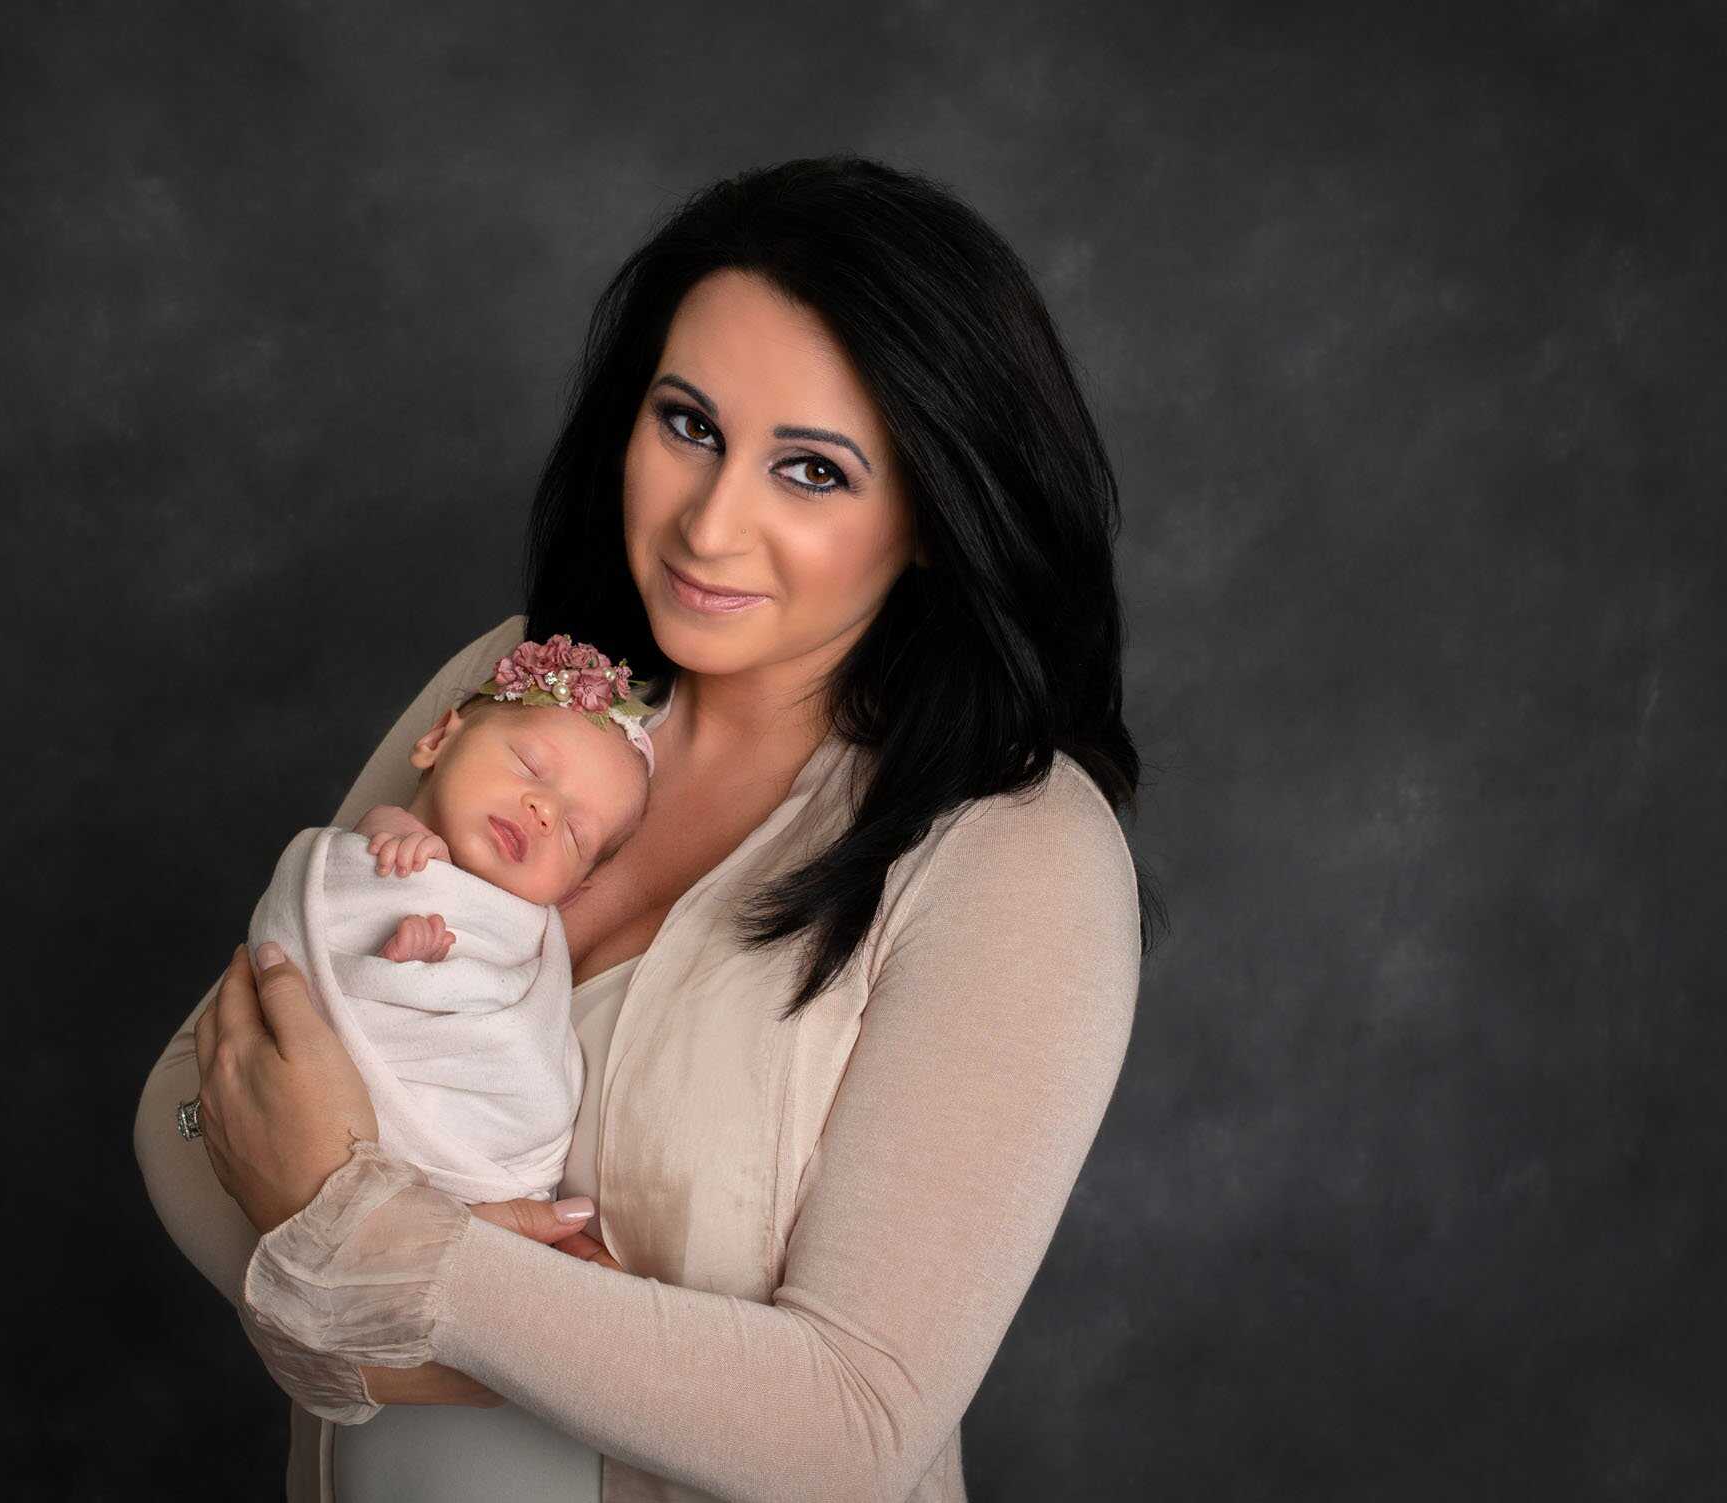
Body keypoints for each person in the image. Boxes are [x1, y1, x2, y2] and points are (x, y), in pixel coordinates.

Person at [134, 154, 1160, 1503]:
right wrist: (448, 1306)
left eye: (812, 469)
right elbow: (189, 1110)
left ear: (930, 514)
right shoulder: (523, 684)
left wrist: (359, 1244)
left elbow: (845, 1425)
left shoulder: (1016, 855)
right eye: (688, 424)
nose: (710, 521)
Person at [217, 632, 658, 1208]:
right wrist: (385, 834)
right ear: (436, 740)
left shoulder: (519, 933)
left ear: (573, 891)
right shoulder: (371, 851)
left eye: (577, 834)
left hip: (472, 1153)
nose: (545, 811)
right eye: (529, 765)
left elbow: (516, 1042)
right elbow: (326, 914)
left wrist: (428, 968)